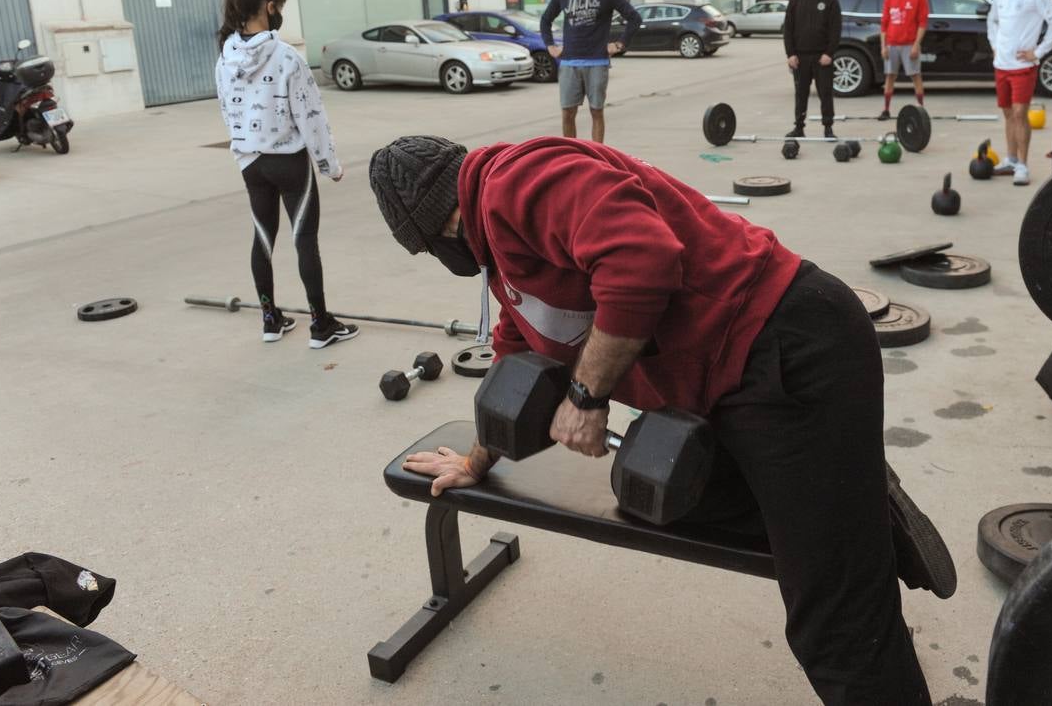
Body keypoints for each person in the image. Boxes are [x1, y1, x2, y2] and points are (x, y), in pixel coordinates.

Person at [368, 134, 957, 705]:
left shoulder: (519, 181)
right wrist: (476, 461)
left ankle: (848, 525)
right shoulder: (505, 258)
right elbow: (516, 356)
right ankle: (851, 501)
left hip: (788, 350)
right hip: (727, 384)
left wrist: (585, 398)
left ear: (437, 228)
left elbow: (642, 259)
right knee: (675, 497)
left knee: (835, 623)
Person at [215, 0, 358, 349]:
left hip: (251, 163)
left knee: (262, 237)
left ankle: (270, 319)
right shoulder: (286, 57)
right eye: (280, 6)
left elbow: (226, 112)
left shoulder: (225, 58)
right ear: (270, 7)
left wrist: (244, 147)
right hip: (288, 162)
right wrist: (329, 165)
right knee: (304, 239)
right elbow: (310, 117)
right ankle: (320, 324)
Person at [539, 0, 641, 144]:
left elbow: (634, 18)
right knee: (568, 112)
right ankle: (571, 154)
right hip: (569, 62)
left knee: (596, 111)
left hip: (597, 62)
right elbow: (545, 20)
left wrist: (620, 44)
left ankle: (597, 154)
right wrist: (550, 45)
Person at [987, 0, 1052, 186]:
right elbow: (993, 21)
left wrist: (1037, 52)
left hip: (1023, 66)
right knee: (1008, 114)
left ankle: (1022, 166)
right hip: (1002, 65)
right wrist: (995, 45)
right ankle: (1009, 159)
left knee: (1020, 114)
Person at [783, 0, 842, 138]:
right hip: (800, 57)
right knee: (801, 94)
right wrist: (791, 54)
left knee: (825, 94)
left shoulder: (830, 0)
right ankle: (799, 127)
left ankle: (828, 128)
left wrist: (829, 53)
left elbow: (835, 30)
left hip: (822, 57)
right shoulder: (795, 1)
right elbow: (788, 30)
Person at [880, 0, 930, 120]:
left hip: (909, 44)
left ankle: (921, 109)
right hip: (892, 43)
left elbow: (922, 23)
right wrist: (883, 46)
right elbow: (884, 24)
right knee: (890, 76)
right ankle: (886, 109)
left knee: (915, 76)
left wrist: (916, 44)